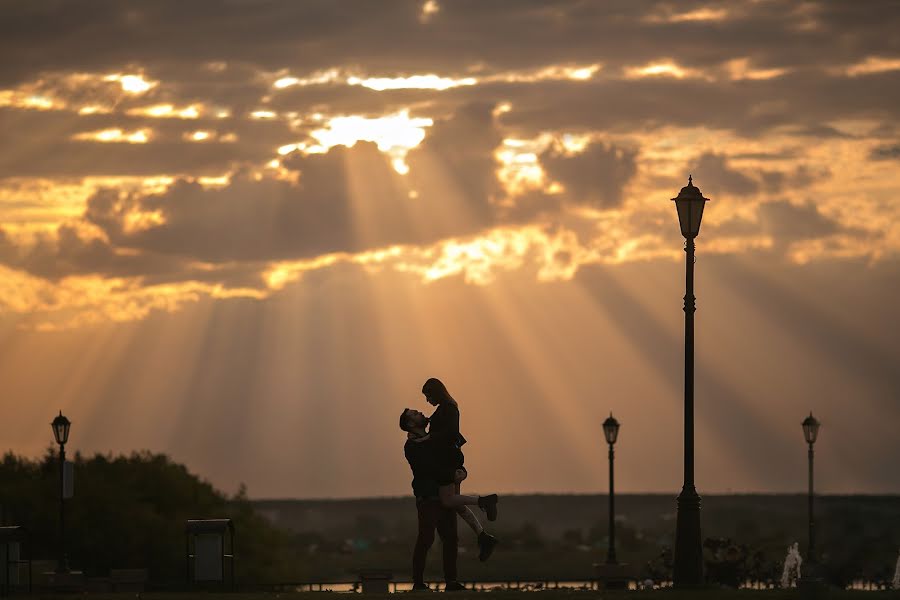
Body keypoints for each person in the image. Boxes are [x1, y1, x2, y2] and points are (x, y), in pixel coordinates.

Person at [401, 408, 499, 565]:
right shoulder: (417, 441)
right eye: (414, 413)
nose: (420, 411)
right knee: (456, 505)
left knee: (448, 507)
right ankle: (483, 535)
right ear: (410, 423)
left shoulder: (433, 432)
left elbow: (446, 446)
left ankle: (482, 502)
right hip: (443, 479)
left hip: (449, 475)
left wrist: (456, 470)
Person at [421, 377, 499, 521]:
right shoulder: (444, 408)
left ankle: (483, 501)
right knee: (455, 502)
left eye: (428, 396)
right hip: (450, 458)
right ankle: (481, 533)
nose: (427, 400)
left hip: (448, 460)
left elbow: (451, 432)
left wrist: (428, 437)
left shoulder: (449, 408)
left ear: (435, 393)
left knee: (447, 501)